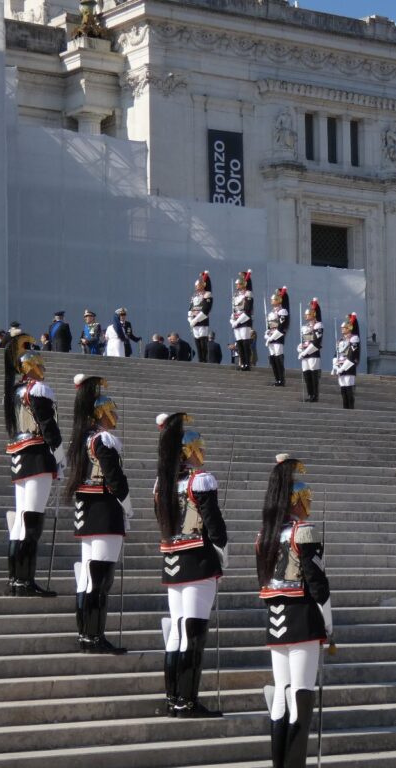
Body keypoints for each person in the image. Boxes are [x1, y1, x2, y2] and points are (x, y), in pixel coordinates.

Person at [256, 455, 332, 768]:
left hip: (275, 622)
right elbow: (318, 587)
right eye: (306, 498)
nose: (309, 503)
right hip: (303, 621)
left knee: (281, 696)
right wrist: (328, 626)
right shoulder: (305, 532)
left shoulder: (266, 535)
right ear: (297, 500)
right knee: (300, 697)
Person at [154, 412, 228, 718]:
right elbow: (216, 529)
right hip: (198, 561)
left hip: (172, 560)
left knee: (177, 633)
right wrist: (222, 557)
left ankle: (173, 698)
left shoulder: (162, 484)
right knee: (193, 634)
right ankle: (188, 700)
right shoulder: (200, 481)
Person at [66, 374, 133, 654]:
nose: (115, 415)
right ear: (101, 413)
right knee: (101, 579)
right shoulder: (103, 440)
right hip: (105, 511)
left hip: (87, 513)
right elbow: (114, 478)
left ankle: (87, 634)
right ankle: (95, 636)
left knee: (88, 579)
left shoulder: (83, 439)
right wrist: (127, 505)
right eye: (112, 410)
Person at [2, 333, 65, 597]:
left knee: (20, 522)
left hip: (19, 455)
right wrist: (60, 455)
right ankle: (25, 581)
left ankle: (16, 580)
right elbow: (48, 425)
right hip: (38, 454)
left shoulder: (14, 391)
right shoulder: (37, 390)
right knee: (32, 520)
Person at [331, 313, 361, 409]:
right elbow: (336, 354)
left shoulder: (354, 339)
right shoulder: (341, 340)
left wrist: (343, 368)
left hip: (349, 366)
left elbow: (352, 356)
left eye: (344, 328)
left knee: (349, 387)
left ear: (349, 328)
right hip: (340, 366)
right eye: (342, 328)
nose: (342, 329)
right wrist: (335, 365)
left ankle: (350, 407)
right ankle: (345, 407)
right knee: (343, 388)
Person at [297, 298, 324, 402]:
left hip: (313, 353)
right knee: (307, 375)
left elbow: (316, 342)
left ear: (313, 314)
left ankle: (315, 396)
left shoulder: (318, 325)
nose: (306, 316)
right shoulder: (305, 327)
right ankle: (310, 394)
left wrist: (305, 352)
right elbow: (304, 340)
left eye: (308, 314)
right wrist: (300, 348)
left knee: (314, 375)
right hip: (305, 354)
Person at [265, 287, 290, 387]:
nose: (271, 301)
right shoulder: (271, 313)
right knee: (273, 358)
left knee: (278, 358)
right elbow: (269, 326)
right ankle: (277, 378)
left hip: (278, 337)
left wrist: (271, 338)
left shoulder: (282, 311)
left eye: (273, 299)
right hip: (271, 336)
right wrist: (267, 335)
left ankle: (281, 379)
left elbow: (281, 327)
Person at [230, 270, 254, 371]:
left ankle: (247, 364)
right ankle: (242, 363)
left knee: (245, 343)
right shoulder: (236, 296)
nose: (237, 286)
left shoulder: (248, 294)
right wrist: (232, 320)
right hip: (237, 321)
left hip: (245, 321)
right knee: (239, 343)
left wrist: (237, 321)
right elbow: (234, 309)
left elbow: (247, 310)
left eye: (238, 284)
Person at [187, 270, 213, 364]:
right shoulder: (194, 296)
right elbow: (190, 308)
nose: (197, 289)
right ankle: (200, 359)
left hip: (202, 321)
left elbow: (205, 310)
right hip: (194, 320)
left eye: (198, 287)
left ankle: (204, 359)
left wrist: (195, 320)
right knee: (197, 341)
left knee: (203, 341)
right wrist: (190, 319)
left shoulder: (207, 296)